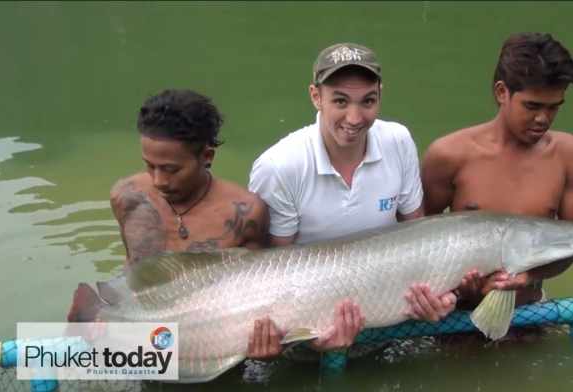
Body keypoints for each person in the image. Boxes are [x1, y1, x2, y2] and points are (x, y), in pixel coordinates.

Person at [246, 43, 457, 358]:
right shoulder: (280, 166)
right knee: (156, 359)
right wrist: (308, 334)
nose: (355, 118)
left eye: (368, 101)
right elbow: (275, 269)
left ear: (380, 96)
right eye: (340, 101)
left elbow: (419, 239)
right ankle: (145, 356)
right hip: (304, 335)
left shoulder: (398, 141)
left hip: (382, 328)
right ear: (316, 96)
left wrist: (435, 295)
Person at [422, 32, 573, 309]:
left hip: (531, 311)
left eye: (553, 108)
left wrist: (527, 277)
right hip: (454, 317)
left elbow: (572, 246)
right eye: (532, 106)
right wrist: (458, 286)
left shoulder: (571, 156)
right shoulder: (449, 154)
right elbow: (413, 239)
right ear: (502, 92)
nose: (542, 119)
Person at [110, 89, 268, 267]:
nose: (158, 181)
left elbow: (254, 282)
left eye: (171, 169)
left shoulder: (247, 214)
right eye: (150, 165)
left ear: (207, 156)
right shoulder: (127, 196)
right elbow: (131, 269)